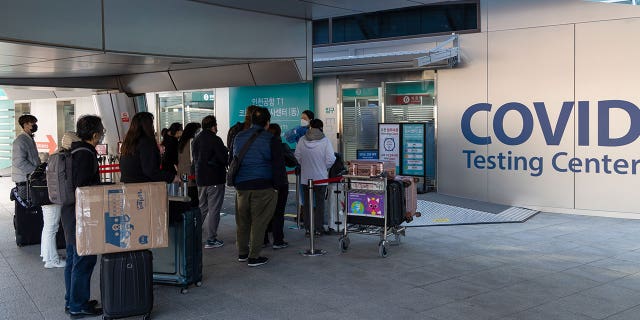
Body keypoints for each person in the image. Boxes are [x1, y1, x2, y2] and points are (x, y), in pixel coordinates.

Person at [61, 115, 105, 317]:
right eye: (101, 131)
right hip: (81, 214)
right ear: (95, 134)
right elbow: (83, 187)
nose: (102, 134)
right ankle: (78, 305)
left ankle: (72, 300)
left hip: (70, 212)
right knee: (83, 260)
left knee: (73, 258)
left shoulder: (74, 149)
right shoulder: (85, 154)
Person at [232, 107, 287, 267]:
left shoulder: (239, 136)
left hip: (242, 185)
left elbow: (234, 159)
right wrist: (277, 187)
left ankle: (242, 252)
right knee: (259, 221)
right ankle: (254, 256)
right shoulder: (271, 139)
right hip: (263, 186)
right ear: (267, 123)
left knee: (242, 221)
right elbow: (278, 165)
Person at [40, 132, 79, 269]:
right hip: (55, 199)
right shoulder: (65, 158)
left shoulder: (55, 155)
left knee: (48, 228)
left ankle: (47, 255)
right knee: (51, 228)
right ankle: (52, 260)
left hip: (49, 195)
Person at [294, 119, 336, 237]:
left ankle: (308, 228)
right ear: (321, 128)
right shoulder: (325, 141)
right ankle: (318, 229)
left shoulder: (302, 140)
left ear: (310, 127)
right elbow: (331, 159)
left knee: (307, 204)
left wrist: (305, 165)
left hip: (306, 178)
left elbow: (297, 156)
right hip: (320, 178)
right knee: (320, 204)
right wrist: (324, 167)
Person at [192, 116, 227, 249]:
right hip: (214, 178)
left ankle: (193, 235)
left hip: (200, 179)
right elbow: (223, 158)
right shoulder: (215, 139)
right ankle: (211, 239)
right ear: (213, 126)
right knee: (214, 209)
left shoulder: (196, 139)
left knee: (202, 207)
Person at [263, 123, 297, 249]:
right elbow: (292, 162)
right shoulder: (281, 146)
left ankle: (263, 239)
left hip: (266, 182)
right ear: (278, 133)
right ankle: (278, 240)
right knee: (278, 211)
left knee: (264, 211)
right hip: (281, 182)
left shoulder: (262, 145)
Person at [119, 112, 178, 184]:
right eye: (152, 124)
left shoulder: (128, 142)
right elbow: (150, 171)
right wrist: (172, 178)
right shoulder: (146, 142)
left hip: (128, 186)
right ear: (147, 125)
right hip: (143, 187)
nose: (153, 127)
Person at [177, 122, 202, 207]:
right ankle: (193, 219)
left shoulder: (181, 142)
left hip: (182, 174)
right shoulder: (192, 141)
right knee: (194, 201)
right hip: (191, 175)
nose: (199, 132)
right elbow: (193, 159)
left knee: (186, 199)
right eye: (198, 130)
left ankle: (187, 219)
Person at [12, 114, 40, 187]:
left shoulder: (29, 139)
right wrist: (35, 171)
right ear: (25, 125)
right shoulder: (20, 141)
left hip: (29, 178)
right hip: (23, 180)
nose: (35, 125)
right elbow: (19, 161)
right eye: (33, 123)